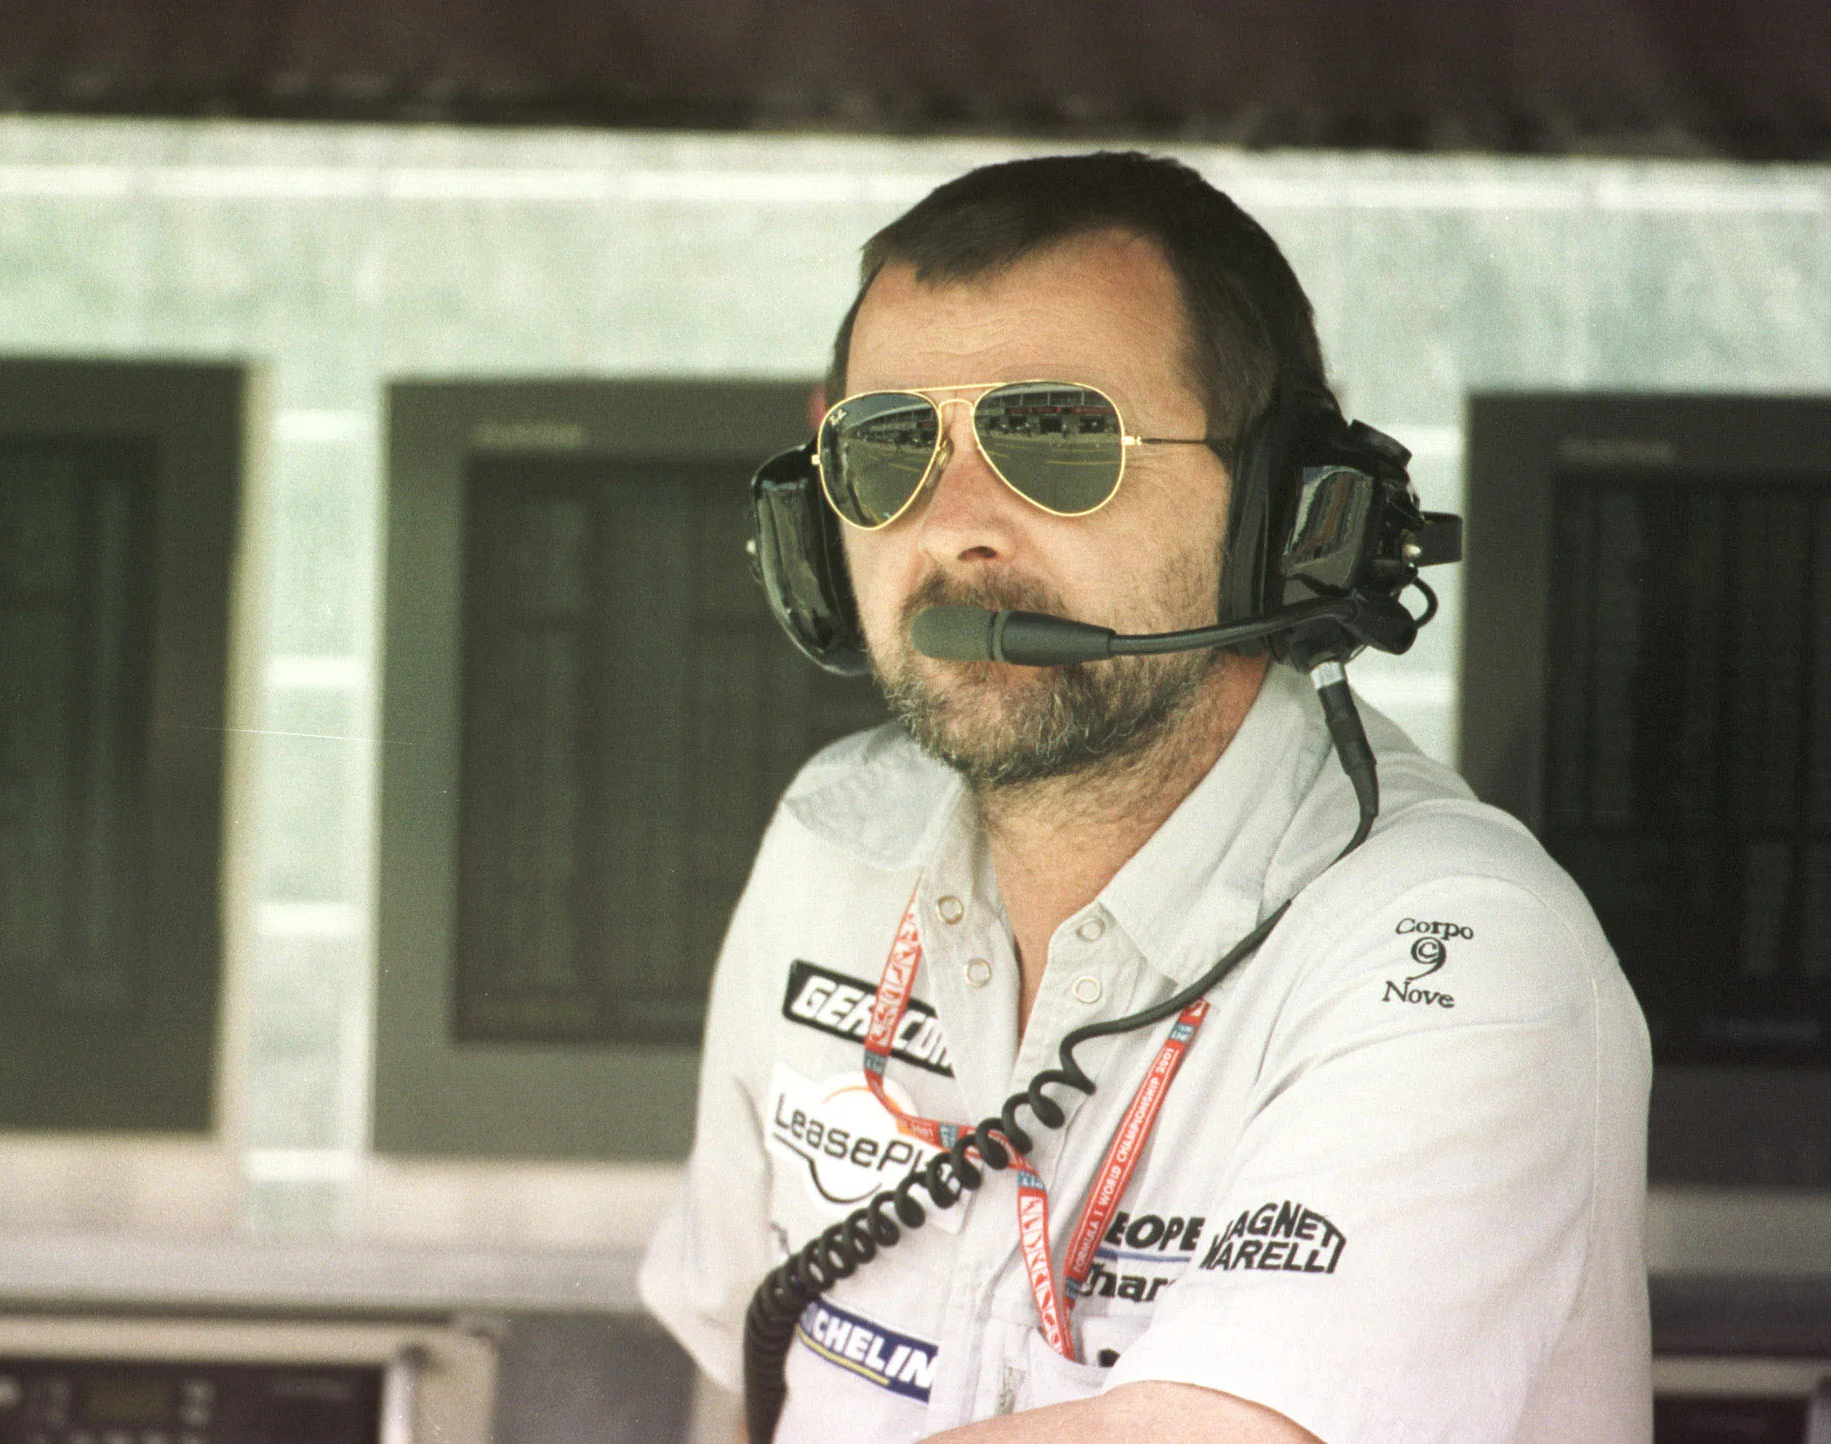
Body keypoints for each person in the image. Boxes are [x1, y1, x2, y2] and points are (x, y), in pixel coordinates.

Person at [637, 150, 1650, 1444]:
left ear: (1282, 512)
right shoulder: (832, 848)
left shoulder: (1461, 954)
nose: (952, 529)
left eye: (1054, 439)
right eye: (888, 448)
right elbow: (742, 1380)